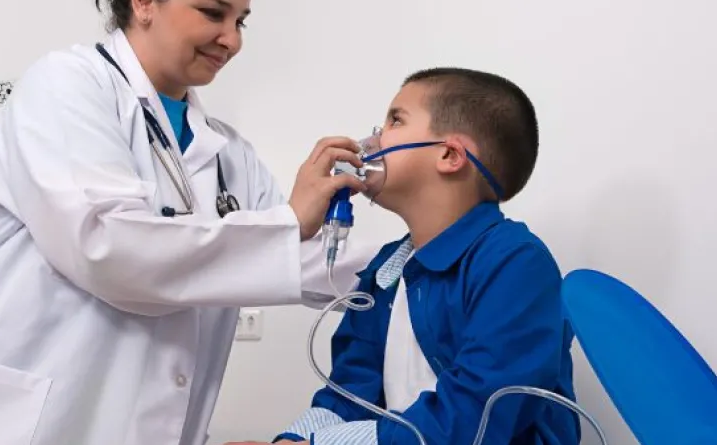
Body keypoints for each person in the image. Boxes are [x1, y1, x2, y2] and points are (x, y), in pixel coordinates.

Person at [0, 0, 376, 444]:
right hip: (9, 421)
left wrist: (421, 256)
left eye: (241, 20)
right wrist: (289, 221)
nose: (232, 40)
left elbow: (312, 259)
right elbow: (105, 247)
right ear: (143, 0)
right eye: (213, 12)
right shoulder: (67, 85)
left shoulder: (229, 155)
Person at [227, 68, 581, 445]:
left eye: (395, 120)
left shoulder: (514, 264)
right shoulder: (387, 270)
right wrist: (294, 439)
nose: (373, 138)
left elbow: (474, 417)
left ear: (449, 154)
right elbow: (350, 393)